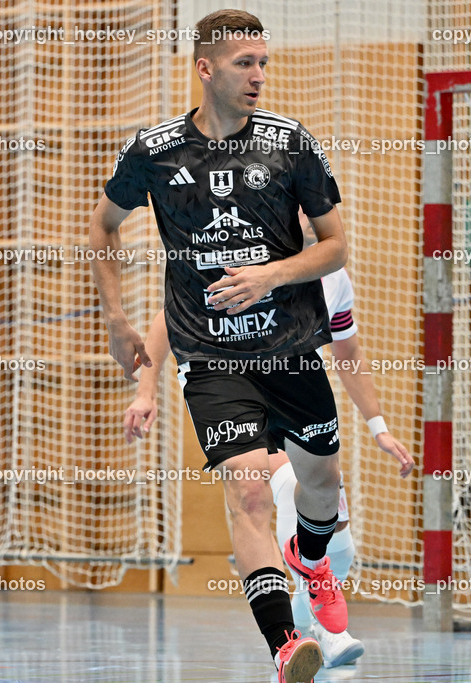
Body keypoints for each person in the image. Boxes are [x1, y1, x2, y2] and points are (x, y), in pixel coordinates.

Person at [89, 9, 354, 681]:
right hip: (212, 359)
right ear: (206, 68)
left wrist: (269, 274)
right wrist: (119, 321)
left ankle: (313, 557)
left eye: (264, 61)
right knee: (250, 493)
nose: (259, 75)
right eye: (245, 62)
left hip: (290, 348)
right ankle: (286, 645)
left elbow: (335, 246)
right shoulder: (154, 151)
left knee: (322, 482)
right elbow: (103, 229)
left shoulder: (290, 144)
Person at [124, 245, 414, 667]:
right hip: (224, 380)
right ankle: (292, 638)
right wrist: (145, 391)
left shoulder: (330, 276)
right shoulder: (232, 251)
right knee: (259, 489)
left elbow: (348, 353)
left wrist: (379, 428)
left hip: (291, 379)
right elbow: (168, 321)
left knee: (331, 512)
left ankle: (314, 604)